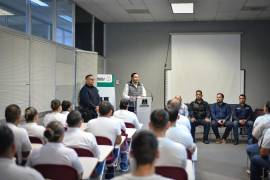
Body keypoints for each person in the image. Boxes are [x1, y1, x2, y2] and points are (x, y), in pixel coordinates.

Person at [85, 101, 122, 178]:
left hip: (91, 153)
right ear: (111, 111)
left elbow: (87, 137)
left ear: (98, 110)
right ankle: (110, 172)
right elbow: (118, 141)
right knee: (117, 146)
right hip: (109, 154)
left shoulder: (90, 122)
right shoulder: (116, 123)